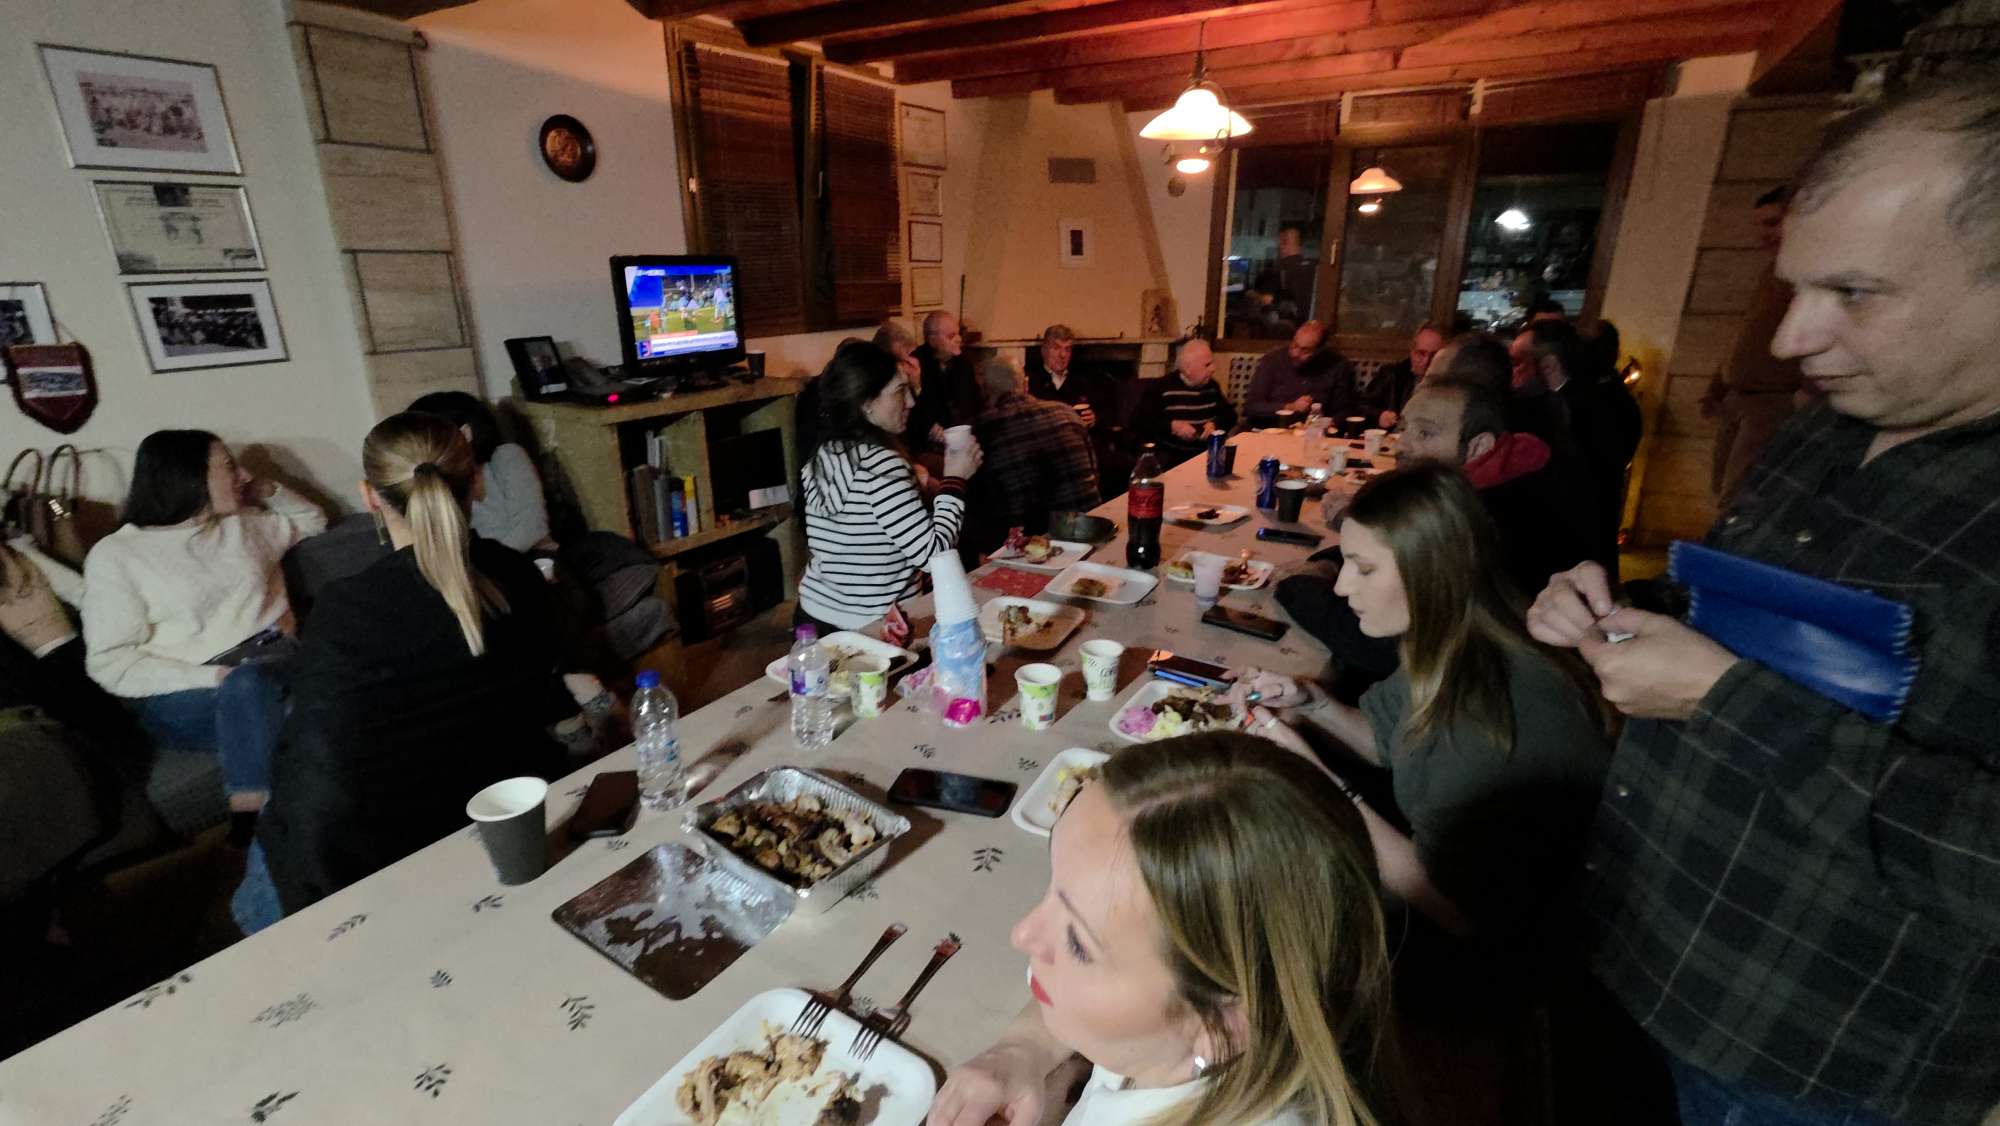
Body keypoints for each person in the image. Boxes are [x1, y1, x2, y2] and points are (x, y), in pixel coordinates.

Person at [1528, 71, 2000, 1126]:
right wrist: (1619, 605)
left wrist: (1721, 700)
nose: (1789, 339)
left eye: (1853, 293)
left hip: (1808, 1056)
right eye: (1791, 287)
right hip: (1633, 942)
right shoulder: (1828, 425)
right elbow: (1759, 616)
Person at [926, 733, 1395, 1126]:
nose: (1023, 933)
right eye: (1054, 886)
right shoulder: (1189, 1033)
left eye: (1078, 944)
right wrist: (1023, 1049)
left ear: (1222, 1024)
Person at [1244, 465, 1609, 954]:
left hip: (1502, 954)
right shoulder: (1457, 639)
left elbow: (1452, 910)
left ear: (1431, 573)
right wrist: (1312, 702)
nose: (1341, 587)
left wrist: (1317, 779)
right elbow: (1388, 741)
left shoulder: (1487, 708)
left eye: (1364, 568)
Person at [238, 413, 567, 931]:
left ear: (370, 496)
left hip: (371, 858)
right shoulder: (518, 576)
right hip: (494, 819)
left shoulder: (347, 609)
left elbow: (315, 770)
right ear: (477, 481)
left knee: (260, 867)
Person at [82, 431, 326, 832]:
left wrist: (269, 489)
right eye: (229, 467)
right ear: (189, 477)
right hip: (190, 693)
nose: (243, 475)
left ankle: (259, 829)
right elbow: (111, 663)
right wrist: (215, 677)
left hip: (276, 662)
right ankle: (257, 816)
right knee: (261, 692)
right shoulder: (117, 556)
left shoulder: (244, 527)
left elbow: (311, 521)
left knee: (276, 691)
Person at [797, 342, 981, 632]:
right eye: (899, 391)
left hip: (817, 616)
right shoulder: (881, 464)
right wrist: (955, 479)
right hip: (873, 627)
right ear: (866, 403)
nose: (911, 402)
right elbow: (934, 555)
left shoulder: (825, 452)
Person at [1701, 185, 1805, 505]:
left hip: (1769, 401)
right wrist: (1718, 385)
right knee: (1722, 486)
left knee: (1740, 492)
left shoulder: (1803, 275)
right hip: (1739, 397)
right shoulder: (1771, 273)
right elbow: (1746, 333)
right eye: (1760, 225)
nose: (1764, 234)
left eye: (1773, 223)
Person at [1514, 320, 1641, 575]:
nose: (1513, 371)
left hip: (1569, 551)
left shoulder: (1579, 409)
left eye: (1518, 362)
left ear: (1548, 364)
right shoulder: (1595, 400)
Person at [968, 354, 1099, 555]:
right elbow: (1094, 475)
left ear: (985, 391)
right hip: (1089, 532)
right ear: (1025, 384)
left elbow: (978, 506)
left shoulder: (981, 431)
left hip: (1031, 548)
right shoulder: (1067, 412)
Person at [408, 390, 555, 555]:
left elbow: (531, 528)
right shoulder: (433, 482)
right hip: (487, 568)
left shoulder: (506, 457)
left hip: (536, 561)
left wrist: (491, 563)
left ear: (466, 433)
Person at [1027, 323, 1128, 498]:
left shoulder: (1084, 381)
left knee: (1124, 465)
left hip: (1084, 445)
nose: (1062, 355)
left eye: (1067, 349)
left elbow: (1108, 415)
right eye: (1056, 348)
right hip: (1049, 447)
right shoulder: (1031, 381)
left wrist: (1095, 418)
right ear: (1044, 350)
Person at [1134, 339, 1236, 466]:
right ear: (1188, 368)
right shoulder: (1161, 387)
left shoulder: (1212, 387)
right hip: (1172, 457)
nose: (1213, 369)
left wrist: (1215, 425)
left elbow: (1230, 416)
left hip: (1205, 455)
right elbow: (1140, 421)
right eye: (1207, 365)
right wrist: (1172, 426)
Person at [1243, 321, 1351, 424]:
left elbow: (1345, 410)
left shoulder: (1337, 365)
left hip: (1313, 430)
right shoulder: (1272, 360)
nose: (1295, 353)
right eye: (1294, 345)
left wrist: (1330, 422)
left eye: (1305, 350)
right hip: (1267, 428)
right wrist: (1290, 407)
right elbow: (1251, 407)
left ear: (1320, 350)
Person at [1357, 323, 1443, 429]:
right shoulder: (1393, 374)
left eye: (1434, 355)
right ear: (1412, 352)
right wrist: (1379, 416)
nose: (1426, 361)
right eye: (1421, 353)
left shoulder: (1450, 385)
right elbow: (1361, 405)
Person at [913, 310, 981, 439]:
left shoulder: (964, 362)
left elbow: (976, 400)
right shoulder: (916, 364)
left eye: (958, 334)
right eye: (951, 336)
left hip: (964, 434)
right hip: (930, 439)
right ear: (933, 340)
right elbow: (914, 407)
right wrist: (928, 425)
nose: (959, 339)